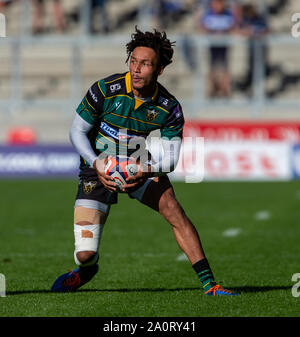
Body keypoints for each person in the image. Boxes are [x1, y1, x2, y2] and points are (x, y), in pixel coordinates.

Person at [50, 27, 238, 296]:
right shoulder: (105, 89)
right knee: (84, 254)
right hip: (97, 166)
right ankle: (87, 269)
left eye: (145, 64)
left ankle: (211, 284)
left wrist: (144, 169)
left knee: (174, 210)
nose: (136, 69)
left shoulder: (168, 106)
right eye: (133, 61)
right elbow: (76, 131)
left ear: (159, 70)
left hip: (138, 159)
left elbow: (171, 159)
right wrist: (96, 164)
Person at [196, 0, 236, 97]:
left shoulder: (228, 14)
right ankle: (213, 89)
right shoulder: (208, 15)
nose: (217, 6)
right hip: (212, 47)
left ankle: (225, 89)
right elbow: (202, 28)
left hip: (224, 46)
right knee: (212, 68)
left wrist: (223, 33)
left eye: (219, 4)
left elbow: (233, 28)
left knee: (224, 68)